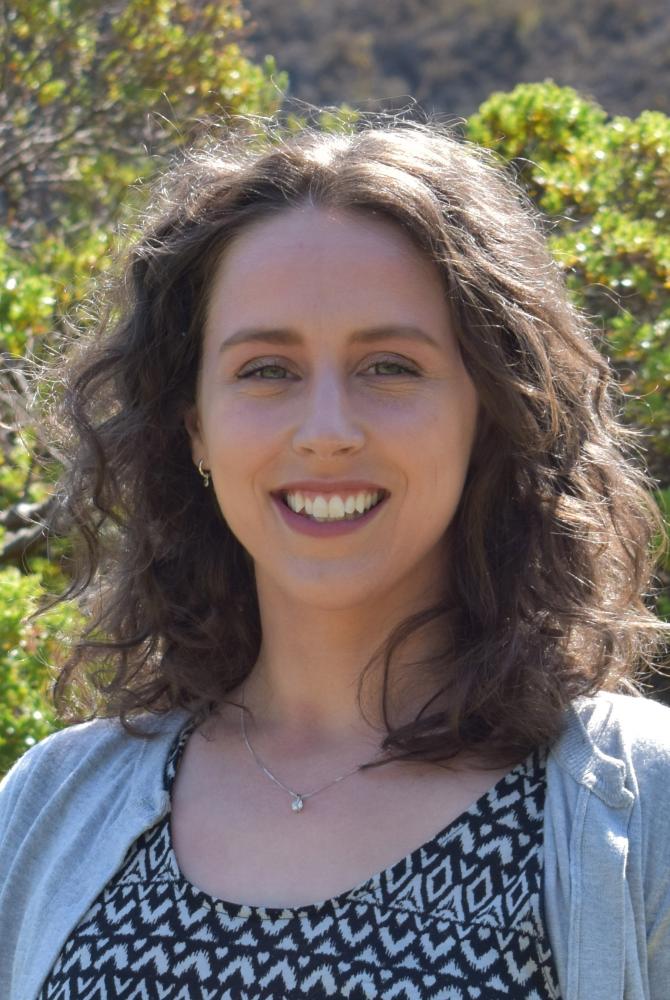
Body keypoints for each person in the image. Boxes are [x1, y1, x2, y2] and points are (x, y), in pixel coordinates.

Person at [1, 113, 669, 1000]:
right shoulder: (48, 806)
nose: (325, 433)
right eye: (265, 370)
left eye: (389, 366)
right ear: (195, 427)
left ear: (489, 414)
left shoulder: (642, 810)